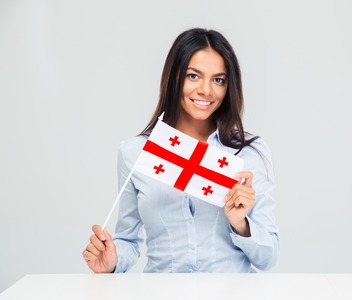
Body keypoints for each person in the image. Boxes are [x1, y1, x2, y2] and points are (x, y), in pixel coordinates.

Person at [82, 28, 279, 273]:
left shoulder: (249, 154)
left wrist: (240, 223)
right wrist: (112, 261)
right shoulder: (136, 153)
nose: (206, 90)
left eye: (218, 80)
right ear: (174, 78)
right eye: (193, 76)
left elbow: (268, 256)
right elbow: (128, 240)